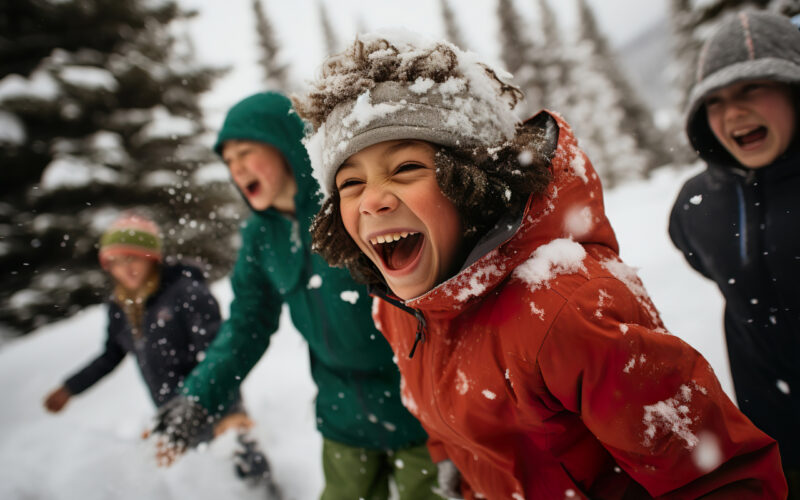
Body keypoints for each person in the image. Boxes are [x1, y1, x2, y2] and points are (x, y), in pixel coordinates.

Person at [292, 31, 788, 499]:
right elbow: (440, 410)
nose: (373, 200)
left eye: (406, 168)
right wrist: (454, 469)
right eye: (350, 183)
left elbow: (721, 478)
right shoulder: (401, 308)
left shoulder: (567, 313)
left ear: (472, 182)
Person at [150, 92, 441, 500]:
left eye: (247, 152)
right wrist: (199, 397)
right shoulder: (260, 237)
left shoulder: (347, 203)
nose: (236, 169)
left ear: (284, 143)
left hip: (420, 411)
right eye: (229, 161)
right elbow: (247, 323)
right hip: (343, 418)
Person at [42, 212, 275, 490]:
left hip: (215, 407)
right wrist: (70, 388)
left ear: (151, 257)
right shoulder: (120, 307)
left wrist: (232, 411)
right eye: (116, 261)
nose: (125, 268)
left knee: (249, 478)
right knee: (203, 487)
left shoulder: (187, 293)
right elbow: (110, 355)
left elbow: (220, 355)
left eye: (133, 258)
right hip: (170, 415)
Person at [669, 9, 800, 498]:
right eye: (716, 100)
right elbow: (701, 257)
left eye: (752, 89)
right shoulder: (697, 203)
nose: (733, 112)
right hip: (773, 436)